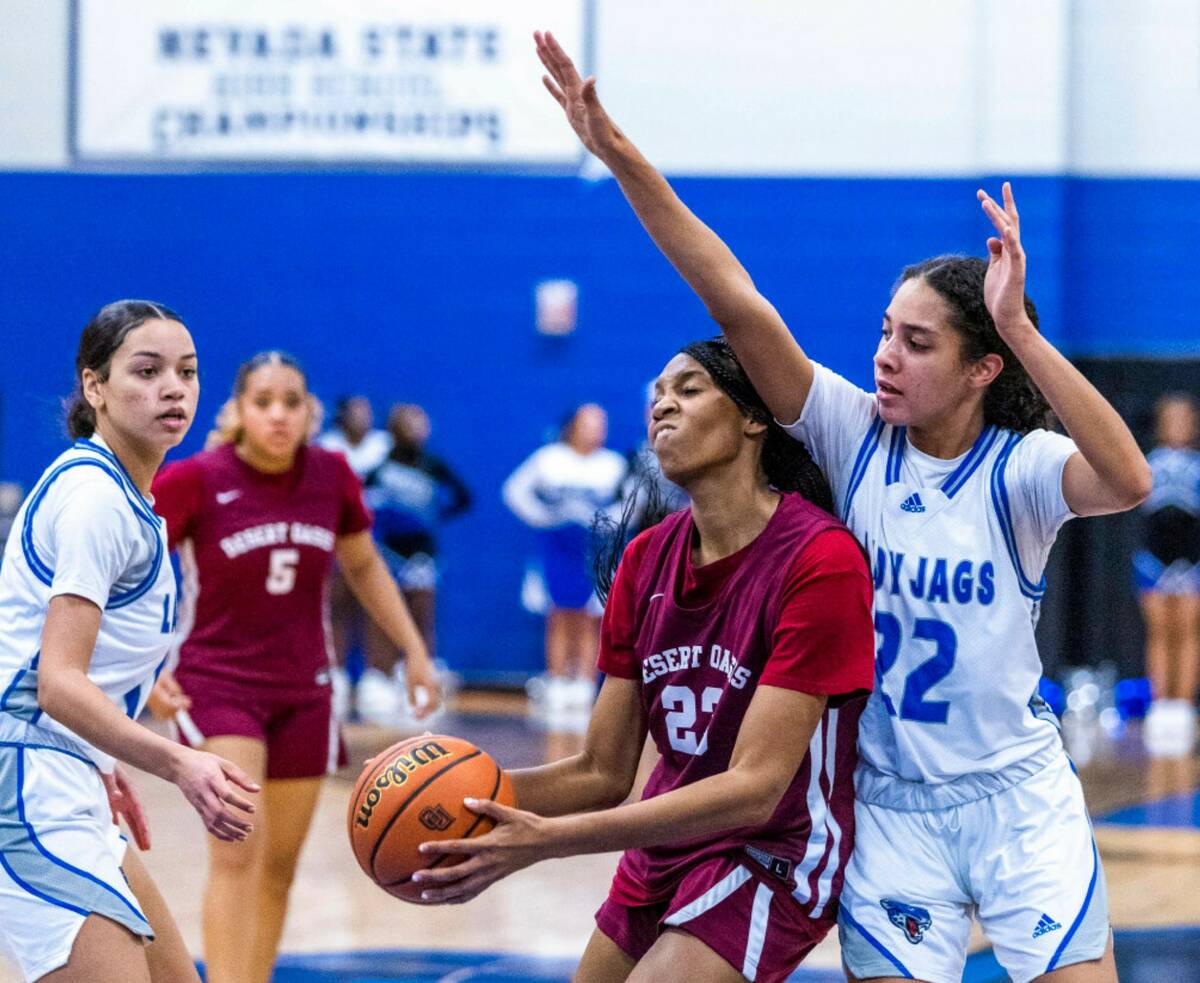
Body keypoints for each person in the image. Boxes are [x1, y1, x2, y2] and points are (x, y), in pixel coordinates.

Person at [529, 30, 1152, 983]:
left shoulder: (1018, 469)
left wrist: (1021, 326)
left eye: (918, 342)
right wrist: (617, 155)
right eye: (883, 332)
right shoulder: (852, 435)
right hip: (891, 807)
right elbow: (734, 300)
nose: (885, 355)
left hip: (1018, 797)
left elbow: (1127, 479)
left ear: (982, 368)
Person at [415, 338, 876, 983]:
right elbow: (603, 769)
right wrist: (463, 798)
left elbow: (754, 788)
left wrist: (547, 841)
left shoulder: (818, 560)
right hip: (665, 846)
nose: (663, 406)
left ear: (752, 416)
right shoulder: (644, 559)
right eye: (658, 394)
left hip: (772, 849)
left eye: (688, 390)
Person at [148, 352, 441, 983]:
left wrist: (415, 652)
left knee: (278, 866)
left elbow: (363, 566)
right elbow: (135, 571)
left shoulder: (332, 475)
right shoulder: (195, 478)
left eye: (291, 402)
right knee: (238, 853)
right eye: (263, 402)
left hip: (306, 689)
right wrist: (146, 660)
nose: (278, 415)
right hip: (217, 684)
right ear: (239, 411)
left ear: (310, 412)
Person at [0, 300, 258, 983]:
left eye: (187, 371)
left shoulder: (123, 493)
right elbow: (57, 682)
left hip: (63, 769)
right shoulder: (95, 500)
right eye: (146, 370)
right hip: (23, 783)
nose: (173, 387)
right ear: (95, 387)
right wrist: (179, 762)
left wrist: (102, 754)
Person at [503, 403, 627, 713]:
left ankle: (584, 684)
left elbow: (633, 502)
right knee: (558, 614)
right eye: (589, 423)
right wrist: (542, 516)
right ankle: (557, 681)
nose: (597, 430)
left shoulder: (613, 464)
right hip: (556, 547)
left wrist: (605, 519)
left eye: (601, 424)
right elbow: (514, 490)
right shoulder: (549, 459)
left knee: (591, 618)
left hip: (594, 550)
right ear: (573, 426)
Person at [357, 403, 471, 722]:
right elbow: (359, 498)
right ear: (395, 428)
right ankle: (379, 676)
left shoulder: (432, 466)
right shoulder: (381, 466)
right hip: (389, 551)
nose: (419, 428)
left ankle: (420, 671)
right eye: (411, 423)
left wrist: (435, 516)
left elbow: (465, 497)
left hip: (422, 552)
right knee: (383, 613)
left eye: (422, 422)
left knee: (421, 612)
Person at [316, 395, 392, 717]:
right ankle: (336, 675)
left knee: (379, 611)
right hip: (335, 542)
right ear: (343, 415)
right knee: (336, 610)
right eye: (357, 411)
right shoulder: (326, 447)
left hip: (382, 542)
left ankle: (379, 677)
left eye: (368, 410)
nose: (364, 416)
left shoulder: (385, 446)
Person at [1135, 393, 1200, 756]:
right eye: (1171, 420)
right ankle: (1161, 706)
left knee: (1188, 633)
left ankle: (1183, 705)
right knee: (1159, 632)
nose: (1178, 426)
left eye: (1184, 419)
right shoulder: (1147, 463)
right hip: (1153, 560)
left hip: (1192, 560)